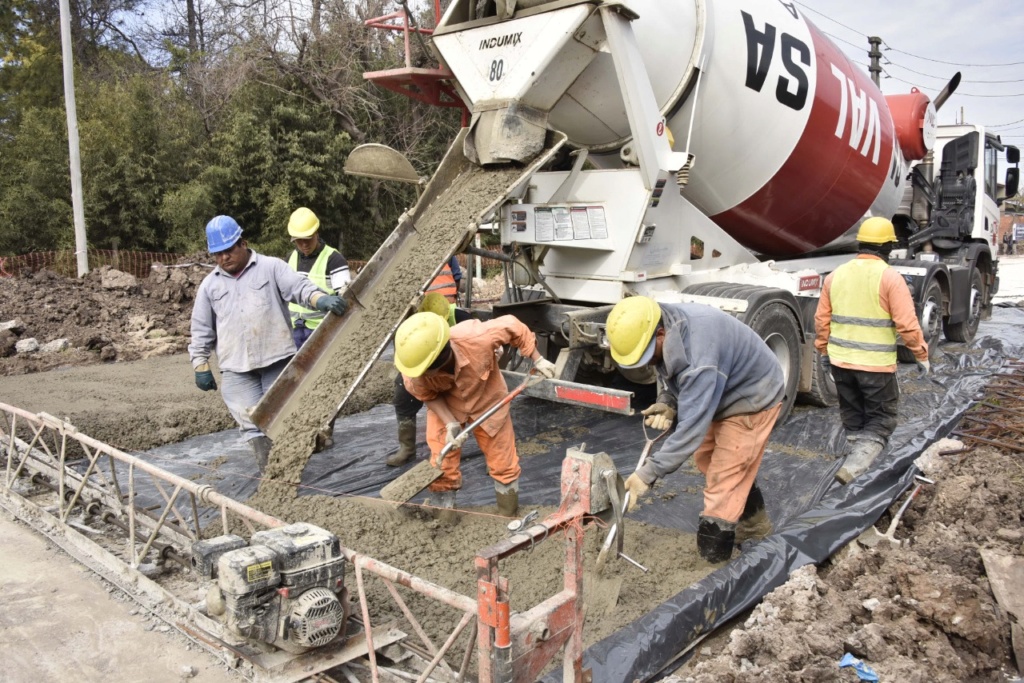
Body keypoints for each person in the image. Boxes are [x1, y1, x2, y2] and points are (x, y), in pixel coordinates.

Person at [606, 296, 786, 564]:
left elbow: (691, 430)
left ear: (661, 334)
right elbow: (672, 371)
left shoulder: (699, 356)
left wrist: (648, 474)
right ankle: (753, 524)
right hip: (723, 388)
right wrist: (668, 402)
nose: (648, 363)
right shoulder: (662, 324)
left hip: (753, 396)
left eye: (648, 356)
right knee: (707, 460)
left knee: (724, 478)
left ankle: (711, 564)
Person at [189, 215, 348, 474]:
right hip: (236, 368)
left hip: (276, 361)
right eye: (217, 254)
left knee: (281, 418)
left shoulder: (271, 267)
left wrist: (320, 300)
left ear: (243, 243)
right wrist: (200, 364)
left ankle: (293, 472)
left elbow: (300, 288)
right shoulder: (210, 286)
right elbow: (201, 329)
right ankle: (272, 476)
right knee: (252, 424)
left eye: (228, 251)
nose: (223, 258)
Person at [393, 311, 557, 518]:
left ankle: (506, 515)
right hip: (447, 407)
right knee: (442, 463)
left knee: (503, 461)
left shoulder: (477, 337)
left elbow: (514, 326)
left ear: (439, 361)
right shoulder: (414, 373)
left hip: (488, 401)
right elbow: (428, 395)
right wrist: (450, 424)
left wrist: (538, 358)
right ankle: (444, 518)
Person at [814, 217, 929, 484]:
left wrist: (823, 352)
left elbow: (821, 320)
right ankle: (856, 466)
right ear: (888, 246)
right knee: (881, 420)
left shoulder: (835, 275)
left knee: (853, 417)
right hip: (875, 367)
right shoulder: (890, 278)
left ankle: (853, 469)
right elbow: (907, 324)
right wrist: (921, 354)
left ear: (861, 244)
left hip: (841, 364)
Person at [286, 207, 352, 450]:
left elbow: (346, 299)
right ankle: (303, 431)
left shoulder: (334, 260)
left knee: (324, 384)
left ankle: (324, 431)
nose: (303, 245)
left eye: (308, 240)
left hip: (322, 332)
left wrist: (332, 303)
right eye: (299, 241)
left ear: (317, 233)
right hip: (297, 330)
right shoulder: (291, 258)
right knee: (298, 385)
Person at [388, 292, 472, 467]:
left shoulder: (460, 317)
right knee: (403, 396)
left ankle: (493, 453)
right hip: (425, 369)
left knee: (478, 405)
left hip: (457, 368)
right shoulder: (414, 322)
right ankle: (407, 448)